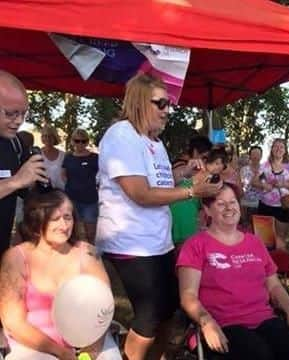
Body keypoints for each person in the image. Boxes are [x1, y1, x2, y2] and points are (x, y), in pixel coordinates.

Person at [95, 73, 221, 360]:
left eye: (169, 104)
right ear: (140, 102)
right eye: (161, 103)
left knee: (169, 308)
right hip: (129, 243)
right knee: (149, 316)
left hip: (157, 241)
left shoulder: (155, 142)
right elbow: (140, 192)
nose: (167, 110)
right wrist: (192, 193)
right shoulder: (121, 135)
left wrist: (184, 174)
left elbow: (160, 184)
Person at [177, 183, 289, 360]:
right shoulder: (195, 245)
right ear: (207, 210)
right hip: (222, 323)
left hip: (263, 318)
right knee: (258, 355)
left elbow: (274, 285)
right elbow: (188, 296)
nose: (229, 208)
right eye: (221, 204)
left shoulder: (254, 242)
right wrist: (206, 322)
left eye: (233, 202)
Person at [0, 190, 121, 359]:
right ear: (37, 221)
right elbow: (13, 323)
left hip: (90, 340)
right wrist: (61, 353)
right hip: (34, 344)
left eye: (68, 217)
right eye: (55, 219)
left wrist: (90, 349)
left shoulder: (86, 253)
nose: (64, 226)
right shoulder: (16, 258)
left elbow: (104, 307)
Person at [0, 70, 48, 254]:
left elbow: (19, 192)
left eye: (23, 114)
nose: (18, 121)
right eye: (11, 114)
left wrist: (34, 184)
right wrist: (16, 180)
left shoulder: (14, 142)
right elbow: (15, 182)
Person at [170, 148, 228, 248]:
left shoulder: (198, 172)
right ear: (207, 162)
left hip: (181, 205)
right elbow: (205, 202)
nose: (219, 167)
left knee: (181, 245)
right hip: (185, 209)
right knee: (186, 246)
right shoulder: (206, 176)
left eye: (222, 165)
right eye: (216, 163)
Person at [252, 138, 289, 249]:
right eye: (275, 146)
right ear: (272, 149)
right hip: (265, 205)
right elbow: (254, 181)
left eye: (281, 147)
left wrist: (283, 184)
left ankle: (280, 264)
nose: (278, 149)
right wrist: (264, 185)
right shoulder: (265, 166)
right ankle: (267, 264)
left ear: (285, 150)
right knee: (264, 239)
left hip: (284, 206)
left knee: (280, 239)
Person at [62, 128, 98, 244]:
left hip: (90, 199)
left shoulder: (95, 157)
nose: (80, 144)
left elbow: (102, 175)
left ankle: (91, 255)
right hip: (72, 198)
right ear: (72, 141)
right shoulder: (68, 157)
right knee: (74, 232)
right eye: (77, 141)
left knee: (91, 232)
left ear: (87, 142)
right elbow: (63, 174)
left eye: (83, 141)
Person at [239, 146, 263, 228]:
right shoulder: (244, 170)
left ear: (261, 156)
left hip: (260, 203)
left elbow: (266, 186)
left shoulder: (265, 169)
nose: (256, 156)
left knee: (258, 228)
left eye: (258, 154)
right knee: (245, 227)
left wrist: (255, 184)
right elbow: (241, 185)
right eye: (254, 154)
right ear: (250, 155)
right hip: (245, 203)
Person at [41, 125, 65, 190]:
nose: (47, 138)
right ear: (42, 138)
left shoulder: (63, 155)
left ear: (55, 138)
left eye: (50, 136)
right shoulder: (38, 154)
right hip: (44, 192)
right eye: (45, 136)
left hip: (61, 192)